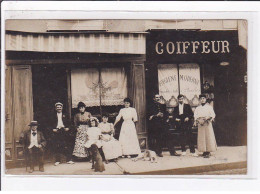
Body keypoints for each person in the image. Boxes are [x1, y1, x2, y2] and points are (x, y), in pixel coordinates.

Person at [194, 94, 217, 158]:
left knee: (208, 136)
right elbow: (195, 115)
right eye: (201, 99)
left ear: (206, 99)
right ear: (199, 100)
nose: (202, 100)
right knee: (202, 138)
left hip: (207, 123)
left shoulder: (209, 107)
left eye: (203, 98)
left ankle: (208, 151)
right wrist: (198, 120)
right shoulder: (198, 108)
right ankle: (204, 151)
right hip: (201, 124)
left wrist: (208, 118)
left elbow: (213, 114)